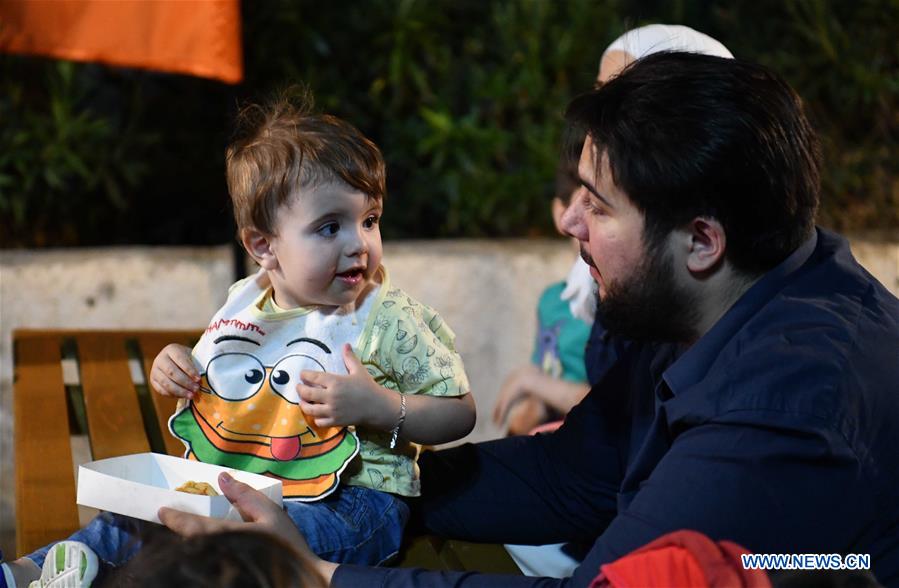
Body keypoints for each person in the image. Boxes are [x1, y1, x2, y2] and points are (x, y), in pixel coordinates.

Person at [164, 52, 899, 586]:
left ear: (701, 241)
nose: (569, 222)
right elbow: (571, 474)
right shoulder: (713, 300)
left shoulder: (785, 408)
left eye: (598, 205)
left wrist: (314, 571)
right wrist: (350, 493)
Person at [0, 90, 476, 587]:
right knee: (132, 519)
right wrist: (175, 363)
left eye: (370, 220)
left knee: (221, 549)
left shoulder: (387, 318)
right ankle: (29, 571)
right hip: (250, 485)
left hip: (354, 505)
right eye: (330, 226)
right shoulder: (246, 303)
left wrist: (379, 406)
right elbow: (219, 373)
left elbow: (460, 411)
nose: (359, 243)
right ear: (263, 246)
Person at [497, 24, 738, 579]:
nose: (570, 222)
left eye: (624, 94)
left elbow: (796, 558)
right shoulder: (611, 293)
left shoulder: (771, 372)